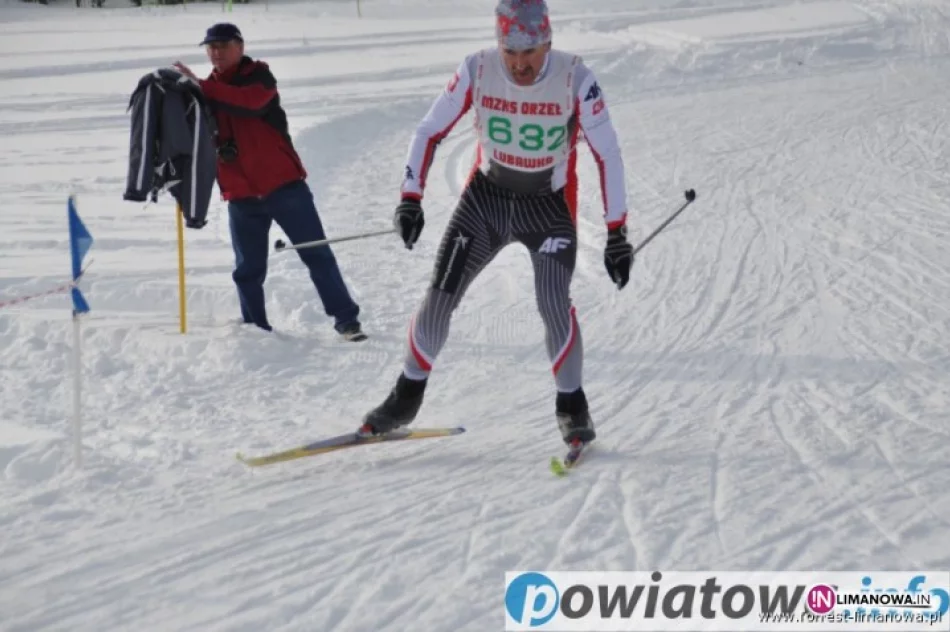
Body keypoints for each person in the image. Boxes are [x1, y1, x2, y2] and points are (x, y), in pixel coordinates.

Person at [359, 0, 634, 446]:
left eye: (531, 52)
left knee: (552, 302)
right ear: (498, 45)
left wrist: (617, 232)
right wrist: (410, 198)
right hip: (485, 203)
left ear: (548, 43)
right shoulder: (478, 68)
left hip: (547, 208)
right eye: (511, 53)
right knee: (440, 295)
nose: (520, 65)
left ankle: (572, 406)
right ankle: (405, 398)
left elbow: (609, 153)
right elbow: (428, 130)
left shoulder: (576, 78)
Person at [173, 23, 366, 341]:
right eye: (210, 47)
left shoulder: (260, 77)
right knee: (247, 270)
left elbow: (248, 103)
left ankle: (346, 320)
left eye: (222, 46)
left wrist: (201, 88)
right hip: (241, 196)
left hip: (284, 187)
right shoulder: (204, 91)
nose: (216, 53)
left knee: (317, 254)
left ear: (240, 47)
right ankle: (256, 331)